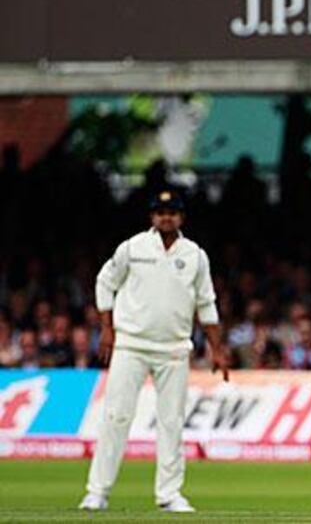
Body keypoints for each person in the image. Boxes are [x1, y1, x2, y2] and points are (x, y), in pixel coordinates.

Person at [79, 190, 229, 513]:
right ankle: (97, 492)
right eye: (160, 212)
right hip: (131, 344)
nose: (166, 217)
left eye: (172, 212)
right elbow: (105, 282)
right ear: (152, 217)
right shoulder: (132, 248)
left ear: (181, 217)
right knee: (116, 417)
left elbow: (206, 302)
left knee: (172, 422)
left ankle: (169, 495)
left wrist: (218, 349)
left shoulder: (195, 255)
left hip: (174, 349)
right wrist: (107, 327)